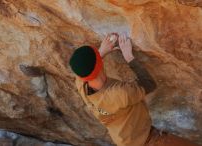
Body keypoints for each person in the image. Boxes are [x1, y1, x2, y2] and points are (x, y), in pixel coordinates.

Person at [69, 33, 200, 146]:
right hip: (147, 141)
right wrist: (129, 57)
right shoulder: (120, 93)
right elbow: (149, 84)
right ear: (100, 64)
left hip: (124, 141)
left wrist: (101, 52)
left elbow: (87, 70)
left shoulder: (81, 84)